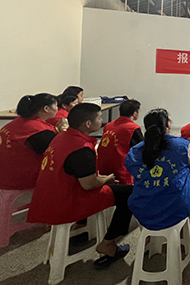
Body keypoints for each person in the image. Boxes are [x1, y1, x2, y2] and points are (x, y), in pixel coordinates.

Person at [28, 103, 134, 269]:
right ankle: (108, 243)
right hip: (67, 202)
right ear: (88, 124)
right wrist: (106, 179)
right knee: (130, 194)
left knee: (117, 188)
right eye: (99, 118)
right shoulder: (81, 149)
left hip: (48, 196)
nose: (102, 121)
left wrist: (101, 178)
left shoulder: (61, 137)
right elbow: (89, 184)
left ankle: (82, 225)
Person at [125, 108, 190, 231]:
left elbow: (133, 173)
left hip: (143, 208)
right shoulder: (182, 146)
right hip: (177, 207)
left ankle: (149, 236)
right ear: (168, 124)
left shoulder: (134, 151)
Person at [0, 93, 58, 190]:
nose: (57, 109)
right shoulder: (38, 130)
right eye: (56, 105)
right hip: (22, 184)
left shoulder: (16, 123)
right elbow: (55, 153)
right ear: (46, 108)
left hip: (5, 177)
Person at [97, 100, 144, 185]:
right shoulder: (132, 128)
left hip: (102, 170)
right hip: (121, 173)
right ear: (134, 113)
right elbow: (142, 150)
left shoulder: (108, 125)